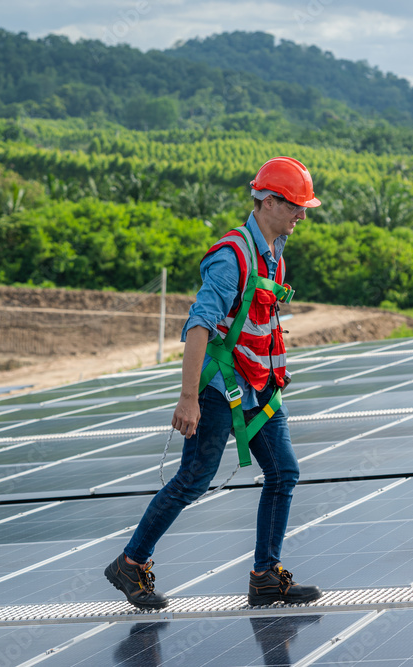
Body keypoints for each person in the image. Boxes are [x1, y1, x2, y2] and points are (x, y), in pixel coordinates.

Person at [105, 156, 323, 609]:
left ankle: (265, 575)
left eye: (304, 207)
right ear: (266, 201)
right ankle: (131, 563)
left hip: (259, 387)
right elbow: (199, 325)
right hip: (221, 387)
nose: (302, 215)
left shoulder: (274, 256)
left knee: (284, 473)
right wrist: (188, 398)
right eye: (294, 206)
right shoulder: (233, 256)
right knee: (194, 479)